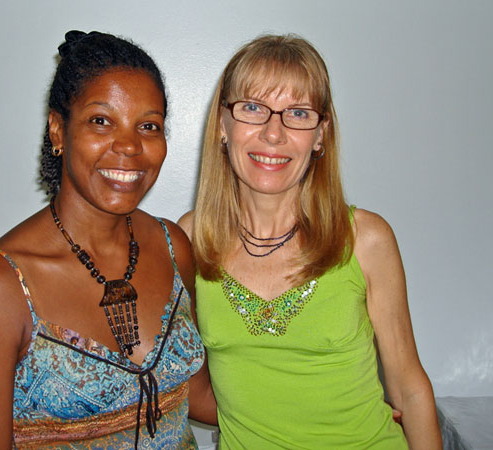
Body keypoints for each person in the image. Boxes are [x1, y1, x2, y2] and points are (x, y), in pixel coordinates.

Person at [0, 30, 215, 450]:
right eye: (101, 121)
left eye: (148, 126)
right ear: (58, 130)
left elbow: (197, 397)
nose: (129, 146)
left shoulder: (173, 245)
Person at [179, 34, 441, 449]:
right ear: (222, 125)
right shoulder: (190, 240)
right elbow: (188, 385)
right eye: (252, 108)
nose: (274, 133)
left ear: (320, 135)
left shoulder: (365, 239)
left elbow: (410, 388)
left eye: (298, 113)